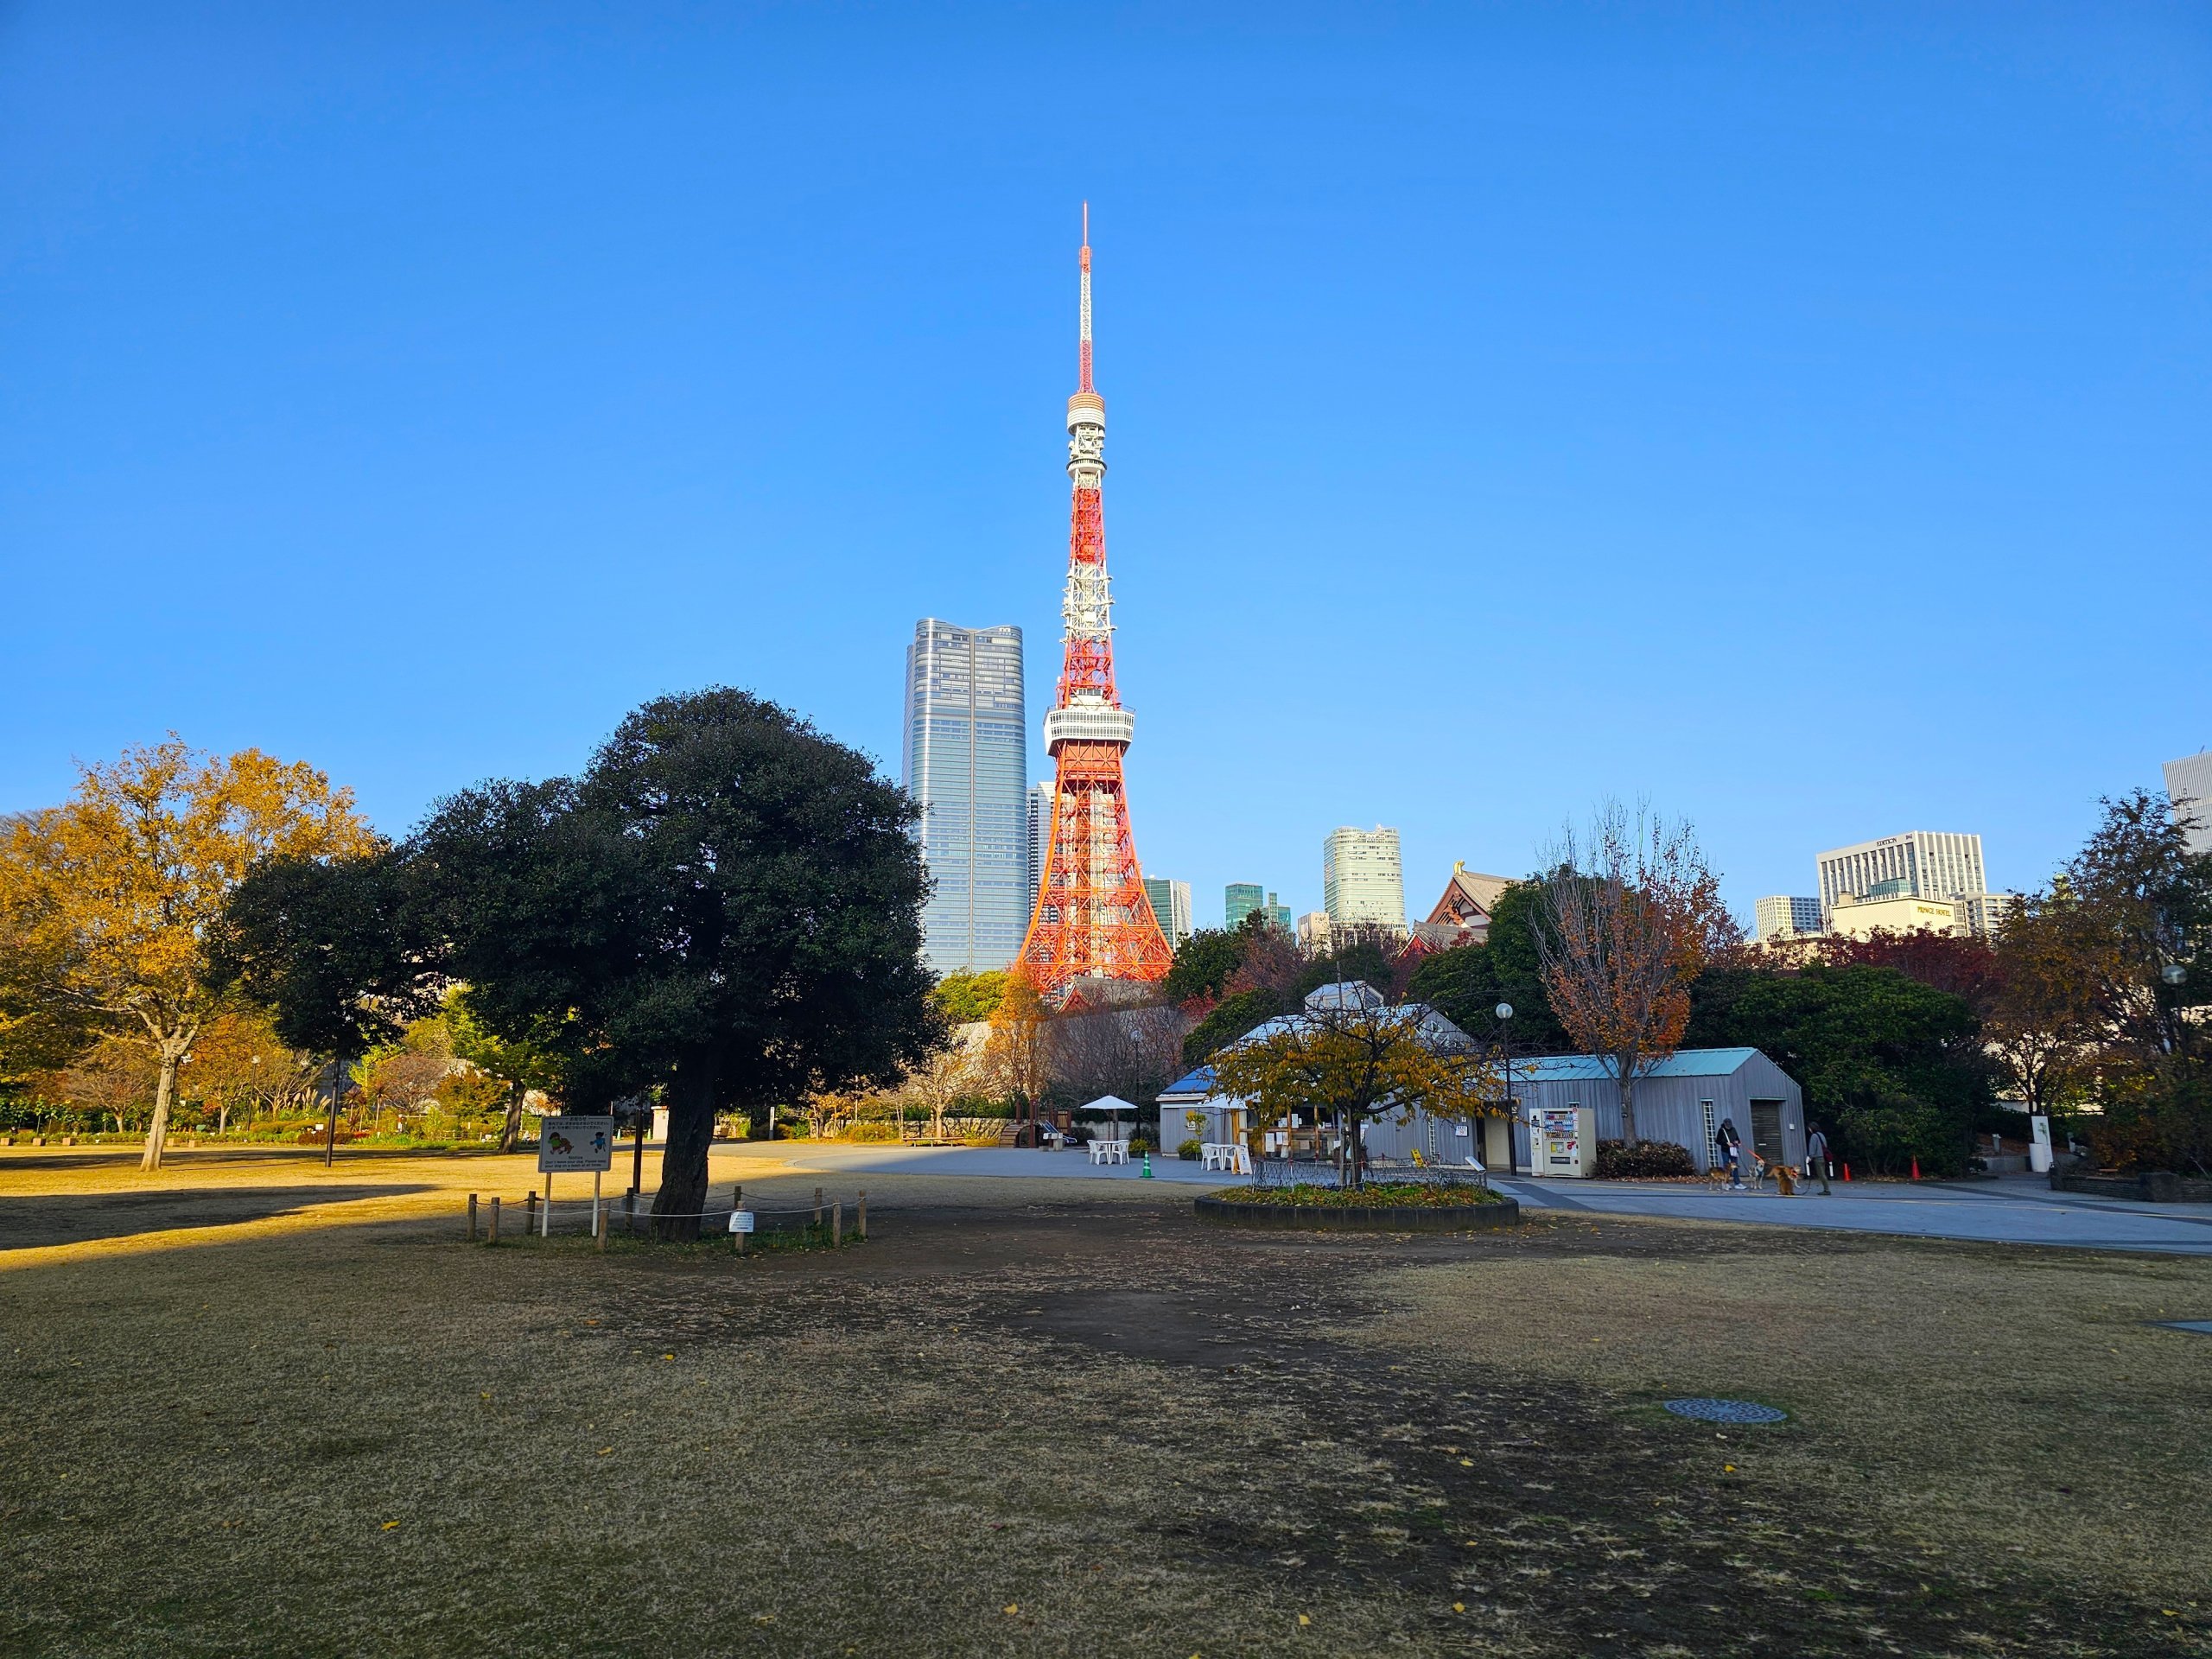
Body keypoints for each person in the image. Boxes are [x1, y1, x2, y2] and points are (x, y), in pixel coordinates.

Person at [1715, 1117, 1744, 1189]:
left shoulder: (1733, 1129)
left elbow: (1737, 1138)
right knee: (1726, 1167)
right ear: (1725, 1124)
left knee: (1735, 1166)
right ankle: (1726, 1183)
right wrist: (1726, 1143)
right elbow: (1718, 1141)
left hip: (1733, 1150)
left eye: (1729, 1124)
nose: (1728, 1126)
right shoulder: (1721, 1130)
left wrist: (1738, 1142)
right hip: (1725, 1150)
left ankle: (1737, 1183)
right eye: (1727, 1124)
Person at [1806, 1124, 1831, 1195]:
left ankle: (1826, 1190)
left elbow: (1812, 1147)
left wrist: (1810, 1156)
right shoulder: (1821, 1135)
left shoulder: (1814, 1136)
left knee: (1821, 1174)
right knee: (1823, 1173)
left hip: (1818, 1157)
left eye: (1809, 1128)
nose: (1809, 1130)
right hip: (1823, 1157)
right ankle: (1826, 1189)